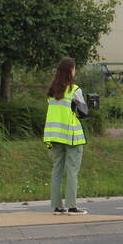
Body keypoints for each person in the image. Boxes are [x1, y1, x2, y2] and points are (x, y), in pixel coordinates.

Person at [44, 57, 89, 214]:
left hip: (55, 136)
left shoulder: (51, 92)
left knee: (57, 170)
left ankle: (56, 206)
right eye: (74, 68)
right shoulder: (75, 90)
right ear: (71, 71)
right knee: (72, 170)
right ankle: (72, 205)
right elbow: (83, 112)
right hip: (72, 136)